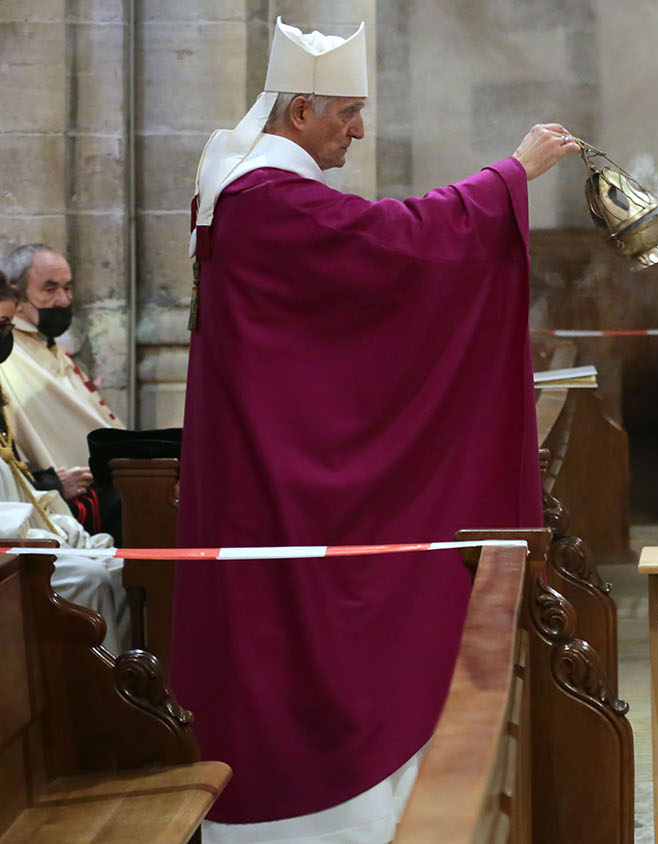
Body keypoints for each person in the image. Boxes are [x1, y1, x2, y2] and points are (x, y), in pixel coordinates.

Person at [172, 18, 576, 842]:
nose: (359, 129)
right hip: (280, 488)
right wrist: (511, 175)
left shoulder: (244, 190)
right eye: (347, 112)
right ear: (299, 114)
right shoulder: (269, 201)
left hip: (262, 462)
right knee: (303, 655)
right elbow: (399, 247)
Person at [0, 281, 123, 649]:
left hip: (20, 526)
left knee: (117, 568)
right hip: (10, 546)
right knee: (89, 578)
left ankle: (129, 681)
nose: (7, 336)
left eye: (6, 326)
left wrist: (58, 526)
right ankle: (93, 694)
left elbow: (14, 476)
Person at [0, 243, 124, 517]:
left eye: (67, 288)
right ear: (17, 296)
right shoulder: (9, 354)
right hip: (54, 499)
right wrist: (50, 484)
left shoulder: (49, 347)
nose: (64, 300)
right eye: (50, 288)